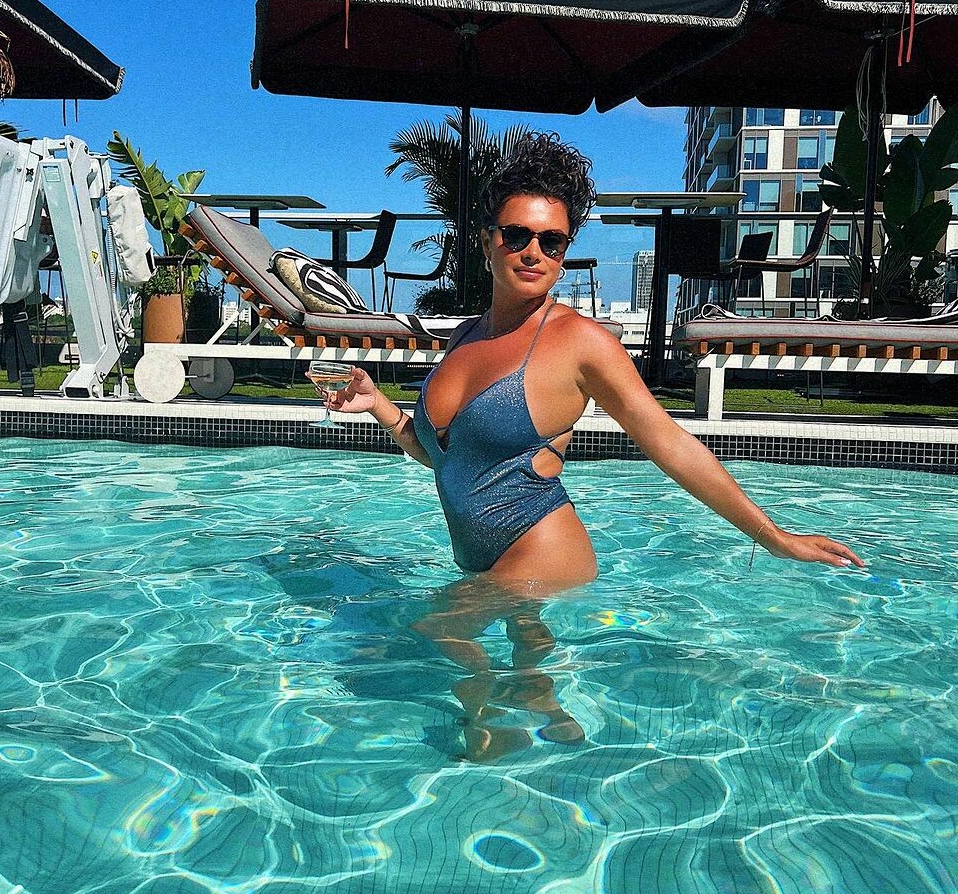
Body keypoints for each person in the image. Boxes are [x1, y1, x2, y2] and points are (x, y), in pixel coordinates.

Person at [323, 132, 864, 592]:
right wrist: (378, 406)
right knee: (524, 685)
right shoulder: (465, 337)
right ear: (486, 242)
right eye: (516, 235)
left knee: (430, 638)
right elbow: (451, 462)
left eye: (552, 242)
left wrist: (773, 537)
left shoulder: (579, 342)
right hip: (481, 562)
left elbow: (671, 444)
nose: (533, 252)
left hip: (541, 555)